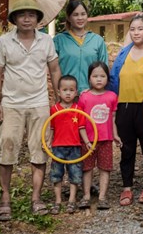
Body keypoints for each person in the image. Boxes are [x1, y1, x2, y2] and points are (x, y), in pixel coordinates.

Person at [0, 0, 62, 220]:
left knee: (40, 149)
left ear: (38, 19)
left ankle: (36, 198)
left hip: (39, 103)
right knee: (7, 147)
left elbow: (55, 69)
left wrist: (59, 100)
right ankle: (5, 198)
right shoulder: (4, 42)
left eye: (32, 15)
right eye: (22, 15)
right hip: (12, 104)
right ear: (14, 19)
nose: (27, 19)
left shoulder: (46, 41)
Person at [110, 15, 143, 206]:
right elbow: (113, 79)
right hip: (124, 106)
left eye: (140, 28)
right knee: (126, 148)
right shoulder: (123, 53)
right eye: (132, 29)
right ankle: (127, 188)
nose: (136, 32)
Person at [77, 61, 121, 210]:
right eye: (95, 76)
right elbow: (80, 121)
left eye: (102, 76)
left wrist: (115, 135)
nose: (99, 79)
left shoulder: (112, 96)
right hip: (88, 140)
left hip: (106, 139)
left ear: (108, 78)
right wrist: (84, 140)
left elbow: (113, 118)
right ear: (89, 78)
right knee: (87, 168)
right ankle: (86, 196)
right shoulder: (84, 97)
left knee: (105, 168)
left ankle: (102, 197)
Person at [48, 75, 89, 215]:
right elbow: (52, 128)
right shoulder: (54, 109)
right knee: (56, 174)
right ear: (58, 91)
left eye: (71, 90)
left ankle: (72, 200)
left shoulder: (78, 109)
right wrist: (48, 142)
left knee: (75, 174)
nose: (68, 93)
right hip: (57, 147)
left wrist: (88, 142)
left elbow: (81, 128)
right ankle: (58, 201)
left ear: (76, 92)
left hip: (74, 147)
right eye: (64, 90)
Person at [54, 0, 109, 94]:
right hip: (68, 96)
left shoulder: (97, 40)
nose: (80, 18)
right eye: (75, 15)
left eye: (83, 14)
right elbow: (54, 70)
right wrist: (58, 93)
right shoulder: (59, 40)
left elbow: (105, 69)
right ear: (68, 17)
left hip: (91, 94)